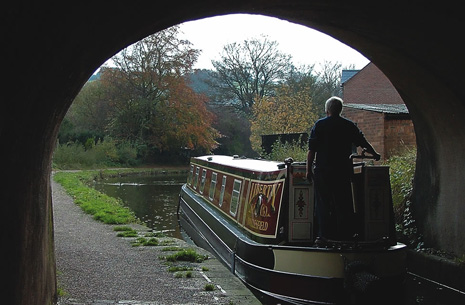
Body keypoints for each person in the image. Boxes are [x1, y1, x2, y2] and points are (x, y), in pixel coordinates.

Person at [306, 96, 380, 241]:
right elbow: (362, 142)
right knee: (343, 204)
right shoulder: (349, 125)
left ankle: (324, 236)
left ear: (327, 110)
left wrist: (308, 169)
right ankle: (344, 236)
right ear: (341, 110)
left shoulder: (319, 125)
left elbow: (312, 150)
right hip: (342, 172)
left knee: (323, 204)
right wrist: (375, 154)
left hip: (323, 171)